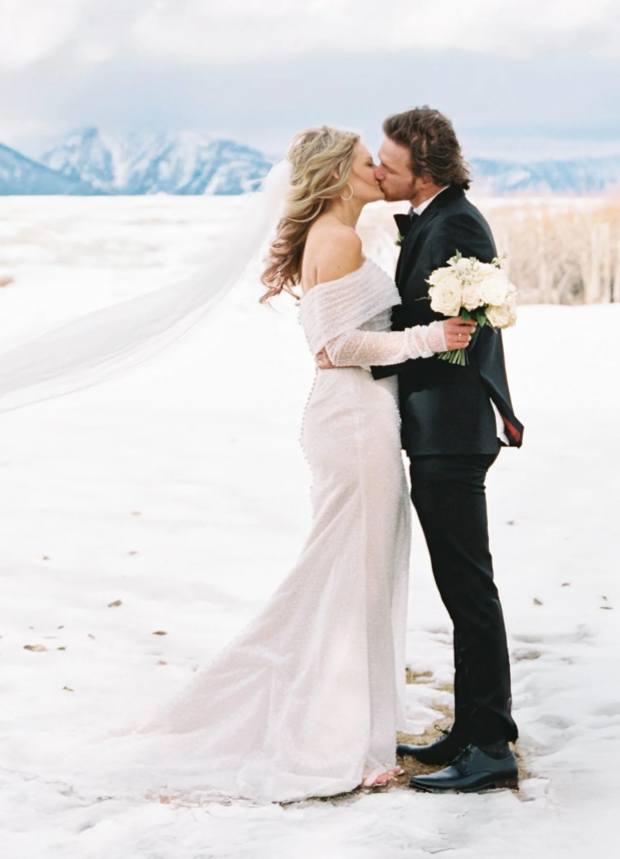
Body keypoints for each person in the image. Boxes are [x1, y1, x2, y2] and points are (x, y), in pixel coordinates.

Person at [43, 126, 476, 803]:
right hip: (353, 418)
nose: (378, 171)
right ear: (337, 175)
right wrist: (432, 337)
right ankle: (329, 735)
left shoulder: (338, 238)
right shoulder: (336, 240)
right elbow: (337, 345)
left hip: (357, 416)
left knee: (354, 571)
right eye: (367, 163)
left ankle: (352, 723)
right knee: (348, 577)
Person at [370, 106, 524, 793]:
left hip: (449, 432)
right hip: (441, 428)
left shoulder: (455, 221)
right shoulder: (442, 216)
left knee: (469, 591)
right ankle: (471, 727)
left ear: (422, 169)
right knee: (464, 589)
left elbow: (453, 328)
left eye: (389, 164)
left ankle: (488, 746)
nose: (378, 172)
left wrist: (363, 325)